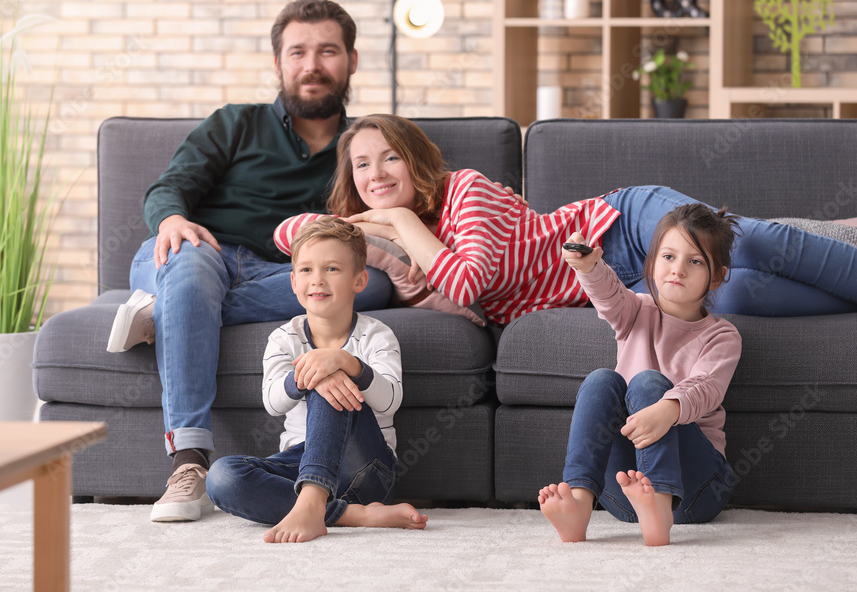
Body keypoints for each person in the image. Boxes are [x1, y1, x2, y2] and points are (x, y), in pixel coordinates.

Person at [107, 0, 393, 523]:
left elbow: (386, 217)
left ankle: (171, 311)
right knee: (190, 272)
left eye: (328, 51)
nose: (312, 65)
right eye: (298, 52)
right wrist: (172, 220)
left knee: (372, 284)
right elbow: (169, 188)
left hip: (282, 271)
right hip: (201, 250)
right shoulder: (235, 123)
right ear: (278, 63)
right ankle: (189, 460)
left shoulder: (362, 148)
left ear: (352, 60)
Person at [274, 113, 857, 325]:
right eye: (362, 167)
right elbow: (287, 233)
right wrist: (374, 224)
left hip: (620, 222)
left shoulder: (465, 191)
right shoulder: (395, 225)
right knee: (734, 296)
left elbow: (468, 282)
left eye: (390, 157)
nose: (377, 174)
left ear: (417, 158)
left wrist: (399, 223)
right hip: (618, 280)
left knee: (741, 243)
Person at [205, 217, 428, 542]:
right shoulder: (284, 338)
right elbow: (273, 402)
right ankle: (349, 514)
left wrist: (346, 364)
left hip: (366, 470)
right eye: (307, 270)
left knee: (331, 376)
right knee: (223, 476)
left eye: (332, 269)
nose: (318, 280)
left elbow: (391, 400)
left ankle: (312, 502)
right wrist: (305, 378)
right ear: (293, 281)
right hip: (300, 461)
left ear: (359, 280)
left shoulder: (377, 336)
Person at [538, 204, 742, 547]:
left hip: (697, 492)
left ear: (717, 276)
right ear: (652, 262)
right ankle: (580, 504)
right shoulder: (637, 310)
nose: (677, 269)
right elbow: (610, 295)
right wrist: (589, 266)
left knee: (648, 383)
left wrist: (668, 410)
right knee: (601, 380)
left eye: (695, 261)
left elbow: (707, 387)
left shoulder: (722, 336)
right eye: (668, 256)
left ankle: (660, 505)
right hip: (625, 497)